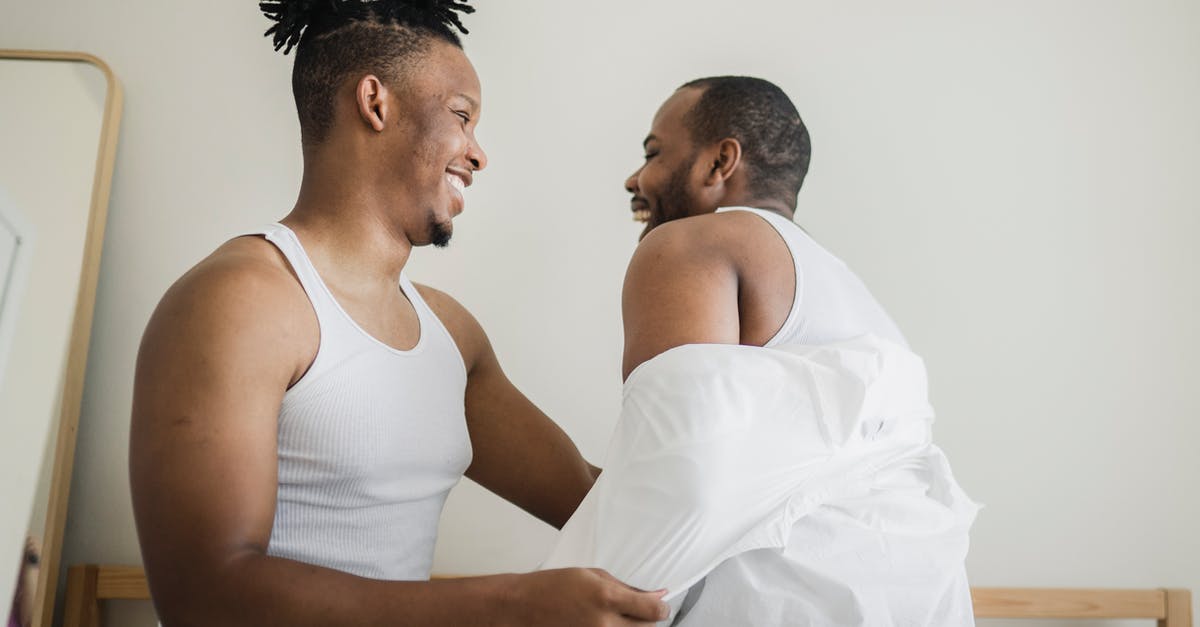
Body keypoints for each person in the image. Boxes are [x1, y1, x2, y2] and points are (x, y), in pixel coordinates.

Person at [128, 1, 669, 625]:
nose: (478, 154)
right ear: (375, 103)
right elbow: (203, 597)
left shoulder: (451, 335)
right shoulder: (239, 299)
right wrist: (512, 605)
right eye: (462, 117)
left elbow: (592, 498)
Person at [542, 77, 976, 625]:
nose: (635, 178)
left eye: (653, 154)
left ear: (719, 162)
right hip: (918, 601)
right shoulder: (854, 297)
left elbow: (675, 489)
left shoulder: (691, 243)